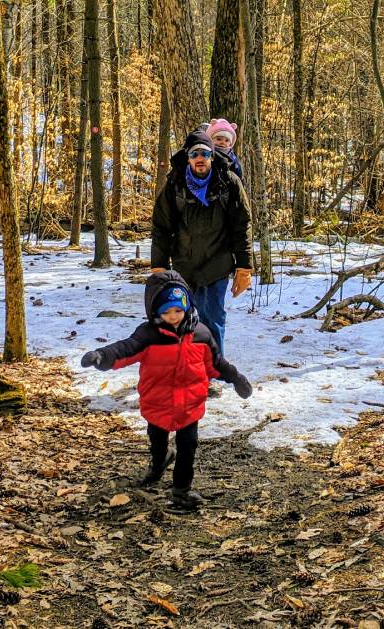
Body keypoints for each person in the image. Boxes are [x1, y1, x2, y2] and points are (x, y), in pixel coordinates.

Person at [81, 271, 252, 509]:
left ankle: (181, 490)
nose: (173, 317)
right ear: (155, 311)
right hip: (158, 403)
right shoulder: (148, 335)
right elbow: (125, 349)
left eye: (178, 310)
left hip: (190, 405)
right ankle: (159, 461)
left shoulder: (201, 334)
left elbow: (216, 364)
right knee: (157, 441)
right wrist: (102, 356)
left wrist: (236, 378)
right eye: (166, 312)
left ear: (187, 307)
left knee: (188, 447)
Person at [150, 130, 252, 361]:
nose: (200, 158)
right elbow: (161, 226)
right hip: (184, 266)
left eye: (205, 153)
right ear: (188, 156)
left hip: (218, 263)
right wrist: (159, 266)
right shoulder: (175, 184)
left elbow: (242, 225)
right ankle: (188, 370)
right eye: (195, 153)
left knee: (213, 319)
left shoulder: (228, 182)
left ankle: (212, 371)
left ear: (212, 156)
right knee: (184, 319)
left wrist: (244, 267)